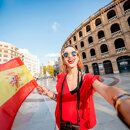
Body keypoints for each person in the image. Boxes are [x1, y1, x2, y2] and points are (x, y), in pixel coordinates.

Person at [37, 45, 130, 130]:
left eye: (73, 53)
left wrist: (122, 100)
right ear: (64, 60)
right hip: (62, 125)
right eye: (66, 54)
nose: (70, 56)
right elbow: (61, 100)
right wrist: (47, 92)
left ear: (78, 57)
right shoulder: (61, 78)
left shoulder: (87, 78)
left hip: (80, 127)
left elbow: (106, 90)